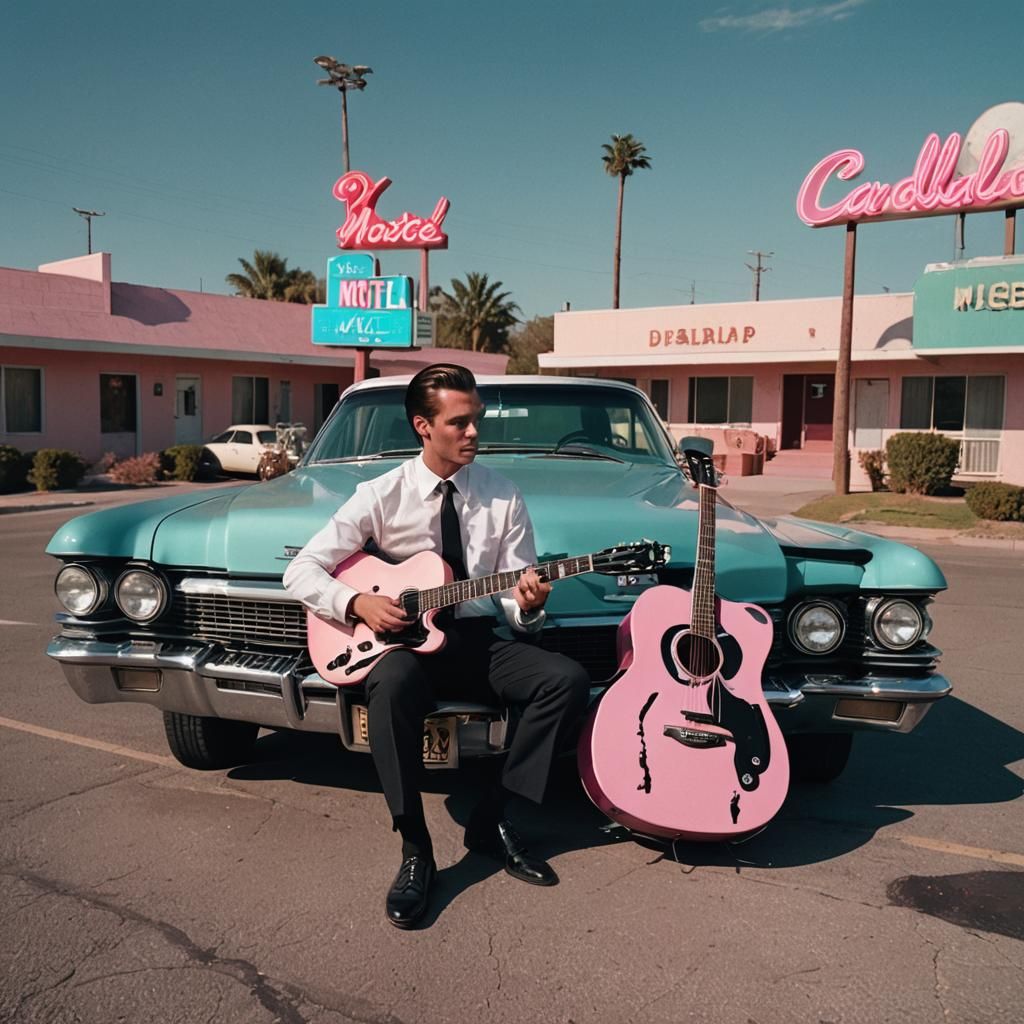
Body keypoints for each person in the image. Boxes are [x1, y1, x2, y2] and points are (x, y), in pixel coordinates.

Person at [284, 363, 591, 928]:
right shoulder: (380, 495)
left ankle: (495, 819)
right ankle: (415, 849)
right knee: (394, 685)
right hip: (398, 645)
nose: (475, 433)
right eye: (460, 423)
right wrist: (357, 605)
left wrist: (529, 603)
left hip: (473, 639)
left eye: (476, 420)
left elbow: (514, 607)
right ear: (423, 427)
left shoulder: (503, 497)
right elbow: (301, 570)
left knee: (564, 681)